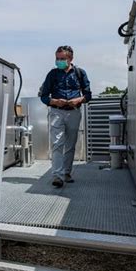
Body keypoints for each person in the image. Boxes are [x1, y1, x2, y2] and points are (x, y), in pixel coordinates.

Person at [39, 45, 92, 188]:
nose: (59, 61)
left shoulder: (80, 73)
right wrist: (55, 101)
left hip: (74, 111)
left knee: (70, 144)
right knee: (57, 143)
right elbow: (44, 97)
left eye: (62, 58)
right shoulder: (52, 74)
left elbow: (88, 95)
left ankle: (67, 172)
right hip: (57, 111)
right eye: (57, 58)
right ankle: (57, 176)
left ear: (70, 59)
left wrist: (79, 100)